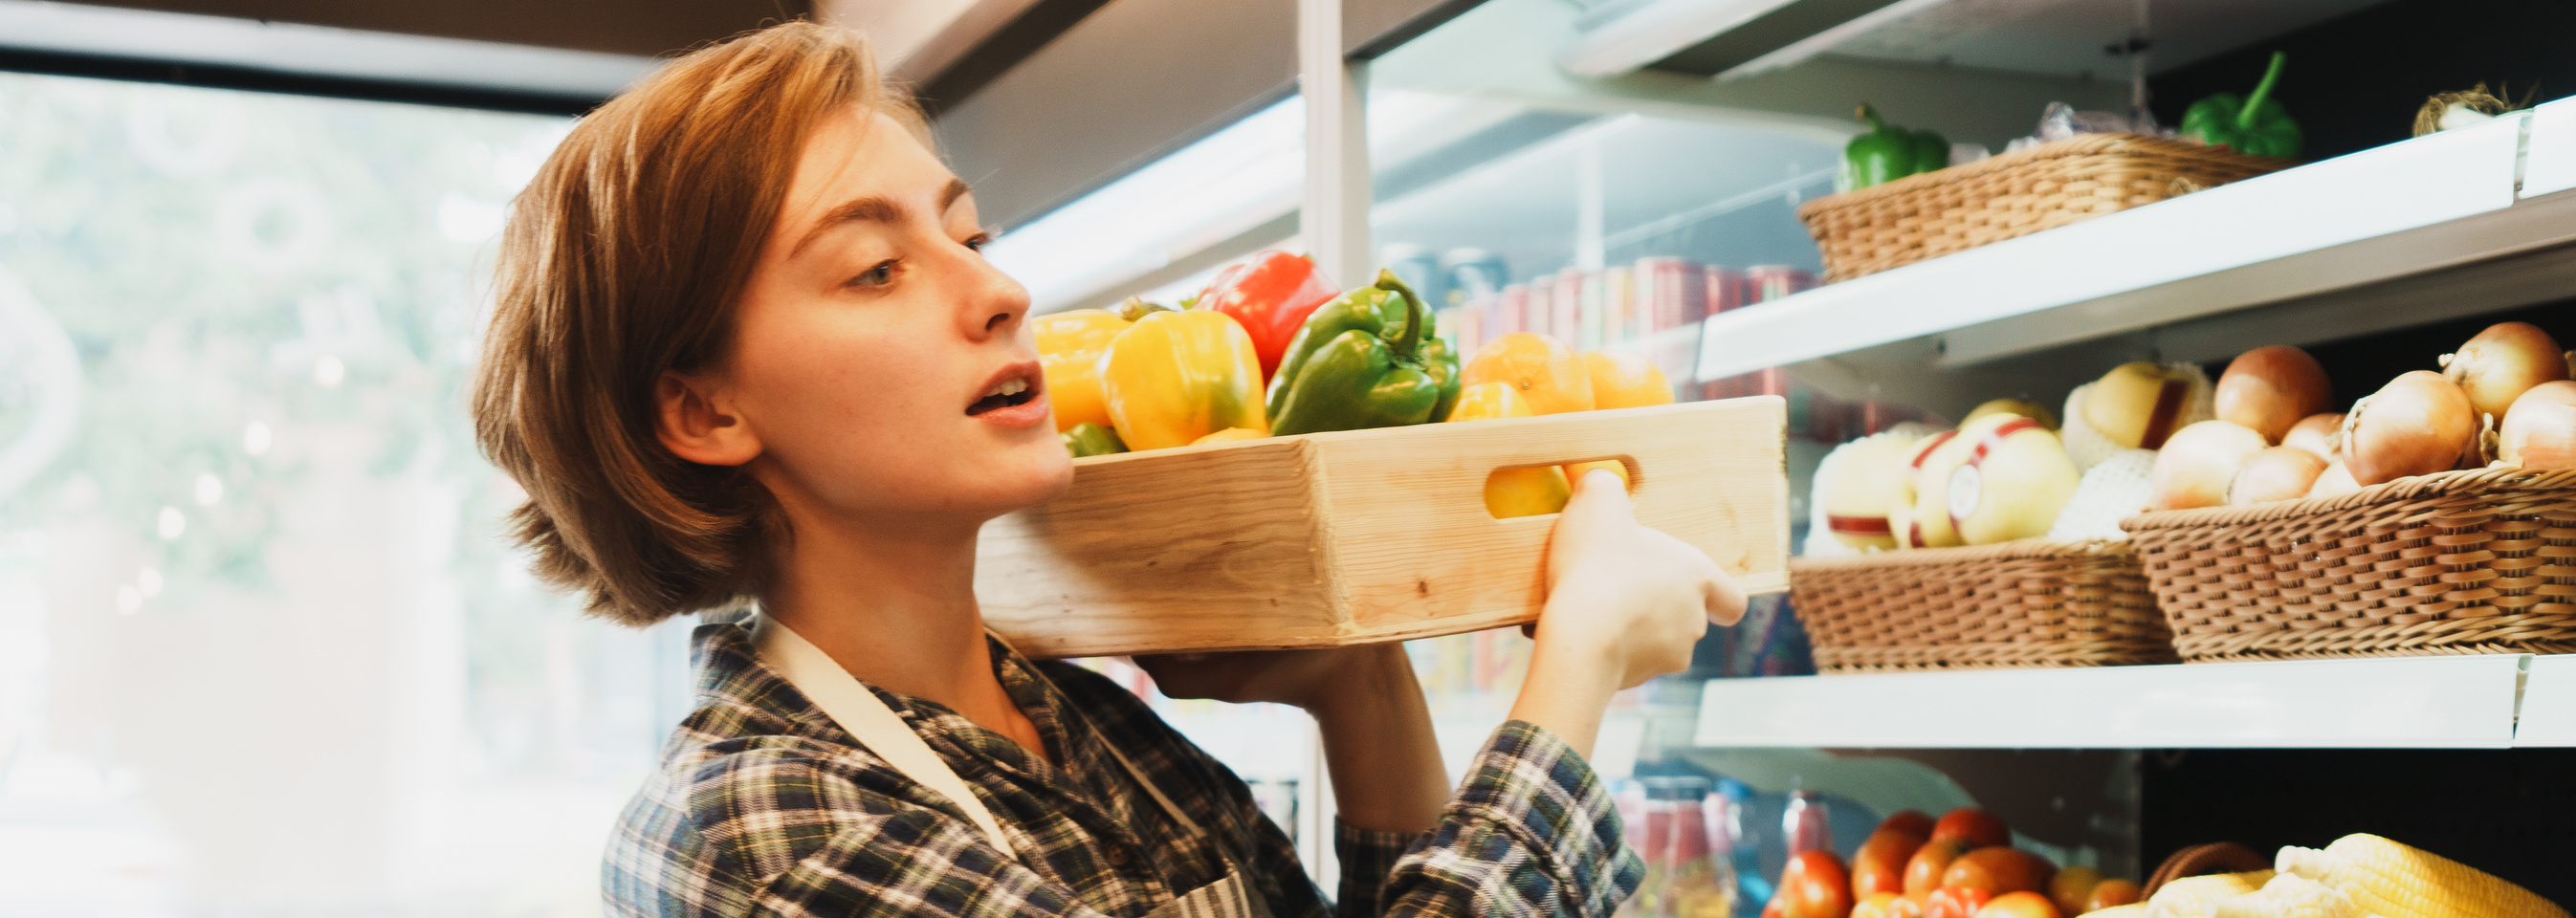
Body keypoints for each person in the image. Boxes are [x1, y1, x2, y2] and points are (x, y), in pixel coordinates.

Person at [469, 21, 1742, 918]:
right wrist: (1574, 675)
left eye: (969, 233)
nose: (1001, 291)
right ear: (702, 411)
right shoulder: (766, 833)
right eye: (876, 268)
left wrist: (1364, 694)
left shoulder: (1076, 725)